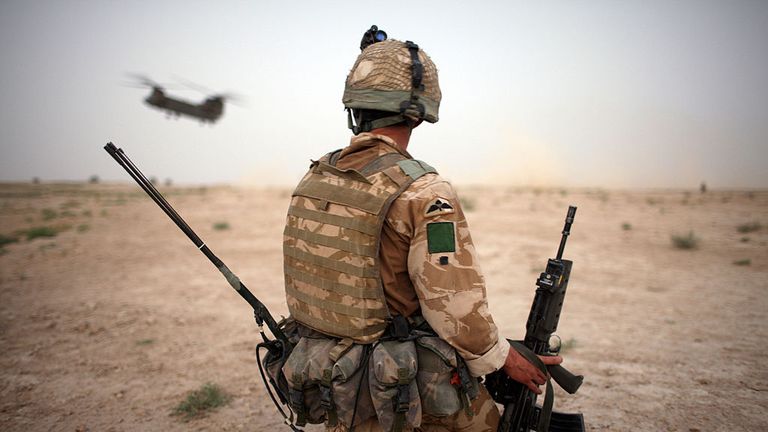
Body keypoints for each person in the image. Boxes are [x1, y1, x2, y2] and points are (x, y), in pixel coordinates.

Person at [280, 27, 562, 432]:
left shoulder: (314, 180)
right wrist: (503, 358)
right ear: (418, 113)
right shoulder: (424, 192)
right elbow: (456, 310)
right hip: (396, 391)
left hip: (331, 383)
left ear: (354, 105)